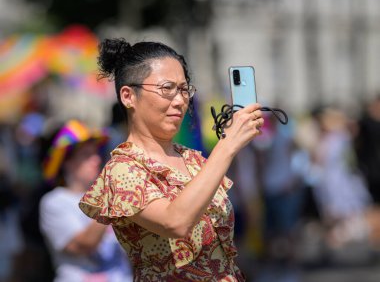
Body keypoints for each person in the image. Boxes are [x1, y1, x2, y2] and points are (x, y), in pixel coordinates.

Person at [79, 38, 264, 281]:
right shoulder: (122, 169)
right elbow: (175, 222)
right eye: (167, 88)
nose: (179, 100)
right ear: (128, 96)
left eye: (184, 89)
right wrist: (227, 145)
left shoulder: (193, 160)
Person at [39, 119, 132, 282]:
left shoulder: (108, 195)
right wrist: (110, 199)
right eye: (86, 155)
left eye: (96, 153)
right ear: (66, 162)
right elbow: (83, 246)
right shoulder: (54, 202)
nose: (96, 160)